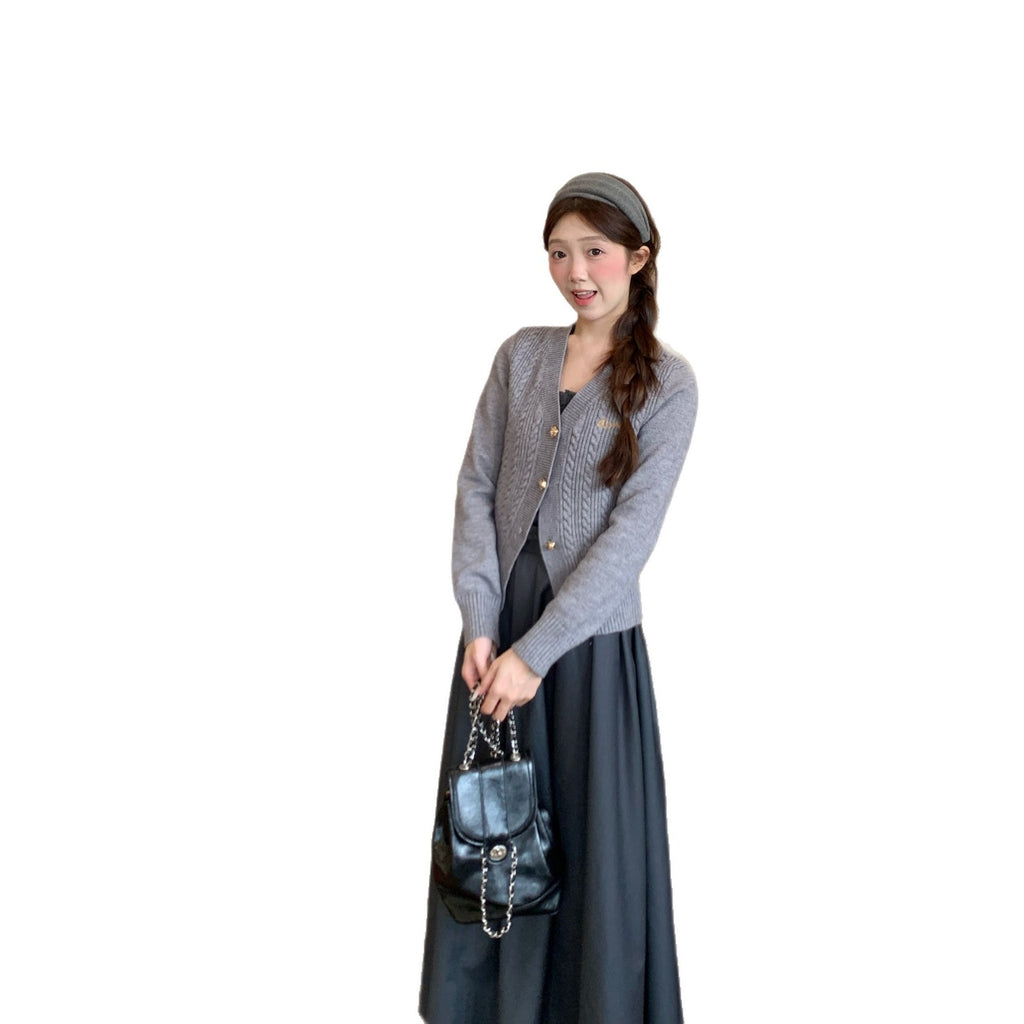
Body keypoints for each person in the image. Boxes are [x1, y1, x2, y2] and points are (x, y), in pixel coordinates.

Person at [419, 172, 698, 1024]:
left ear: (638, 258)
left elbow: (630, 540)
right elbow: (476, 487)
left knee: (591, 850)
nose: (577, 272)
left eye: (595, 252)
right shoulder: (522, 356)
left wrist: (535, 653)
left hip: (586, 655)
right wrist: (481, 622)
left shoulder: (669, 384)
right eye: (559, 253)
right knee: (492, 842)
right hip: (493, 646)